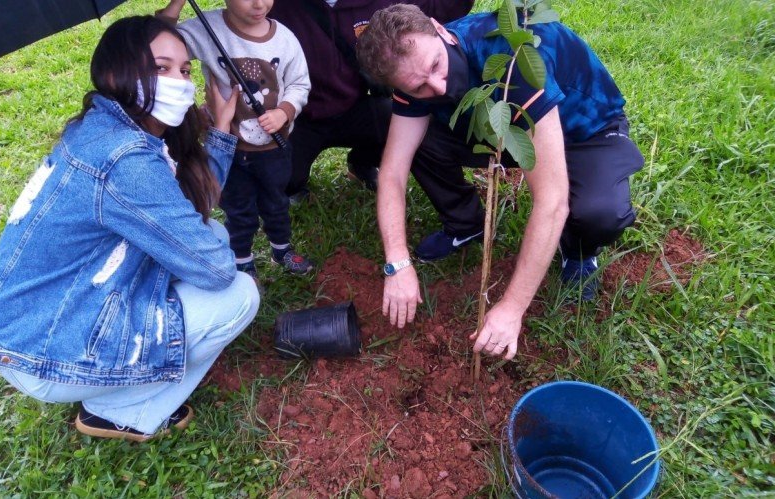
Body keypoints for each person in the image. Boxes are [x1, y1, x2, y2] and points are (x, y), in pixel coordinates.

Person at [0, 16, 259, 441]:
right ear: (115, 72)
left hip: (27, 321)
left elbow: (193, 214)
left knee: (211, 238)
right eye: (160, 68)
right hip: (43, 348)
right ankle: (121, 411)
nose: (179, 82)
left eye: (184, 70)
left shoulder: (103, 127)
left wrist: (219, 132)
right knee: (238, 294)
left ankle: (110, 380)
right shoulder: (125, 159)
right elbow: (216, 268)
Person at [356, 5, 645, 359]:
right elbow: (393, 172)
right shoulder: (412, 71)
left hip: (585, 130)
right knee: (418, 140)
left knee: (599, 213)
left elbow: (551, 200)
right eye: (419, 87)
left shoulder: (511, 59)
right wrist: (396, 260)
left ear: (440, 30)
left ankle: (578, 251)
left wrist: (510, 309)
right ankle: (465, 223)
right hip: (505, 127)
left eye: (436, 65)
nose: (439, 85)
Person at [158, 0, 313, 277]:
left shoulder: (284, 39)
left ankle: (282, 248)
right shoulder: (207, 28)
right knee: (237, 209)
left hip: (272, 147)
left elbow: (300, 83)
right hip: (226, 148)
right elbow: (159, 43)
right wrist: (176, 5)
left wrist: (284, 112)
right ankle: (243, 260)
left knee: (276, 201)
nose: (259, 3)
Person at [268, 0, 475, 201]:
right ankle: (292, 182)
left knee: (414, 131)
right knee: (281, 181)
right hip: (298, 115)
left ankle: (362, 163)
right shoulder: (274, 6)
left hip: (356, 106)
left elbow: (437, 9)